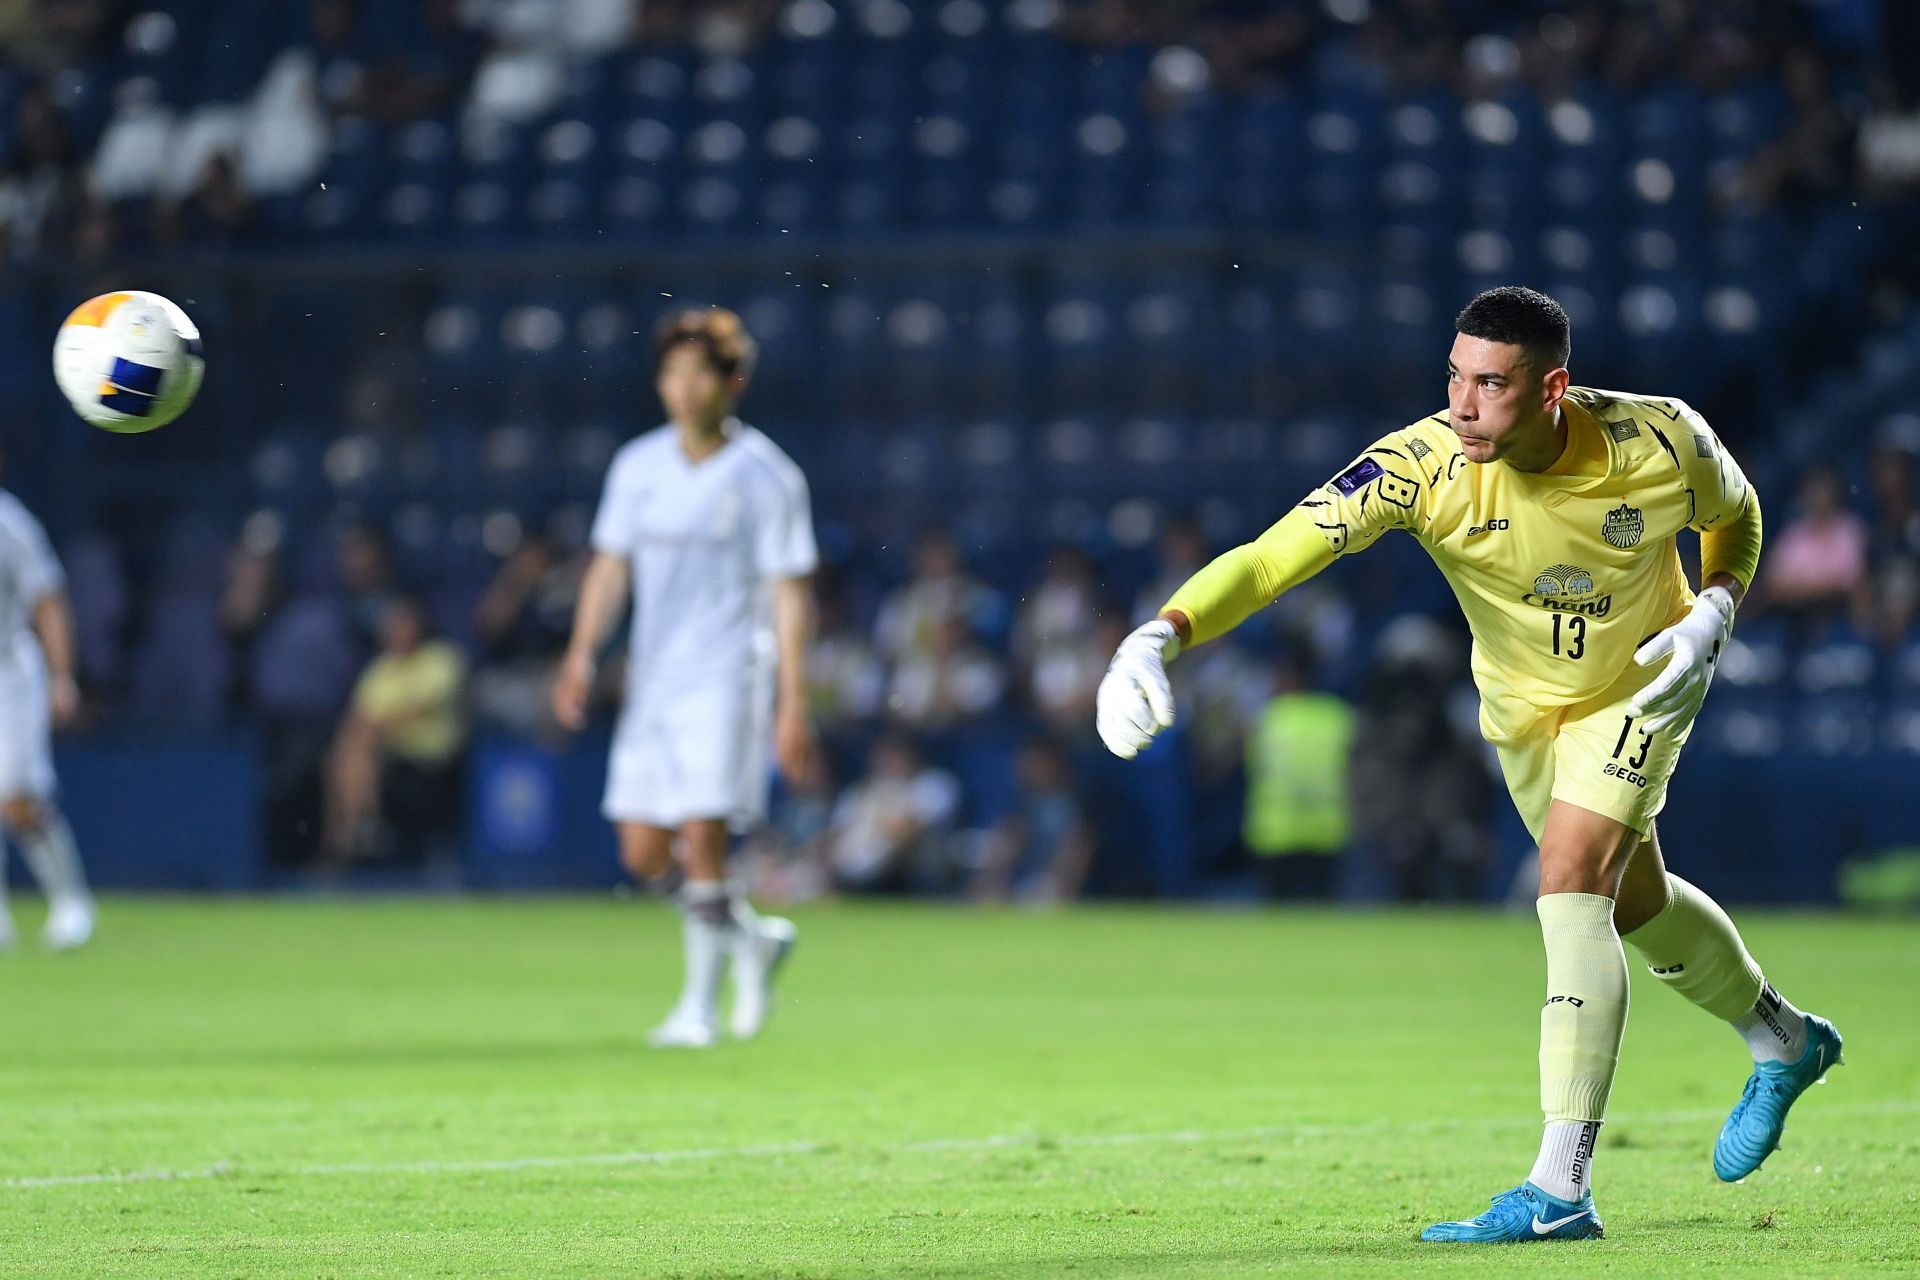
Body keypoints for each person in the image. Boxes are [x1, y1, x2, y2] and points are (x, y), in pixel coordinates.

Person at [1096, 287, 1843, 1243]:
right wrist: (1161, 634)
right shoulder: (1420, 467)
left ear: (1554, 389)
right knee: (1632, 905)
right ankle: (1785, 1041)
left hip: (1644, 680)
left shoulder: (1659, 442)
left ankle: (1560, 1188)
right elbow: (1273, 556)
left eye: (1491, 383)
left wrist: (1715, 609)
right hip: (1522, 710)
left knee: (1570, 879)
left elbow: (1737, 519)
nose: (1462, 402)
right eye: (1454, 375)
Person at [553, 307, 818, 1049]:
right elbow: (611, 565)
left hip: (729, 674)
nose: (683, 388)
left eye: (699, 373)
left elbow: (789, 593)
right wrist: (581, 653)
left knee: (703, 835)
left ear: (733, 383)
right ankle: (752, 940)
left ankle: (697, 1007)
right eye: (671, 373)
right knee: (642, 852)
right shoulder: (638, 467)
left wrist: (793, 704)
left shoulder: (768, 476)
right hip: (654, 678)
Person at [0, 458, 95, 949]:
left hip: (10, 671)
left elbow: (48, 600)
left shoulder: (9, 522)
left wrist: (62, 678)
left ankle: (71, 901)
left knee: (16, 794)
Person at [322, 596, 467, 866]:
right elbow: (357, 717)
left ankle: (357, 829)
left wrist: (375, 729)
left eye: (402, 624)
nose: (395, 631)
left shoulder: (440, 658)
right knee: (342, 754)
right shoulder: (380, 669)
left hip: (429, 758)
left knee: (358, 750)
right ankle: (354, 831)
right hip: (386, 759)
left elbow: (417, 710)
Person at [1240, 649, 1353, 901]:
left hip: (1276, 832)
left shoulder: (1266, 718)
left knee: (1276, 922)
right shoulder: (1338, 716)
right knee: (1323, 919)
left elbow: (1249, 766)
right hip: (1326, 831)